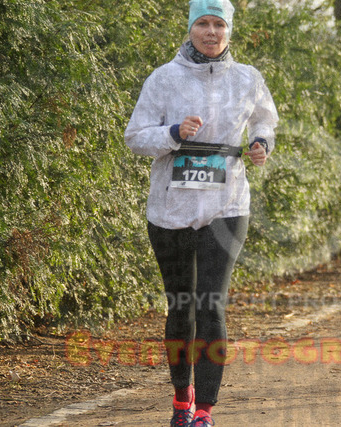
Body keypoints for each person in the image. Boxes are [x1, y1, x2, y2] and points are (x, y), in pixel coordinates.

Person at [124, 1, 279, 426]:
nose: (211, 32)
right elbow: (135, 137)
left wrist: (262, 143)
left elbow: (265, 120)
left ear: (229, 30)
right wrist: (173, 133)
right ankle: (182, 398)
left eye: (219, 25)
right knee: (181, 306)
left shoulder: (248, 77)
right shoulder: (164, 78)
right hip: (171, 207)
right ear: (191, 28)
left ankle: (206, 409)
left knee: (211, 304)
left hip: (227, 204)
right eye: (203, 24)